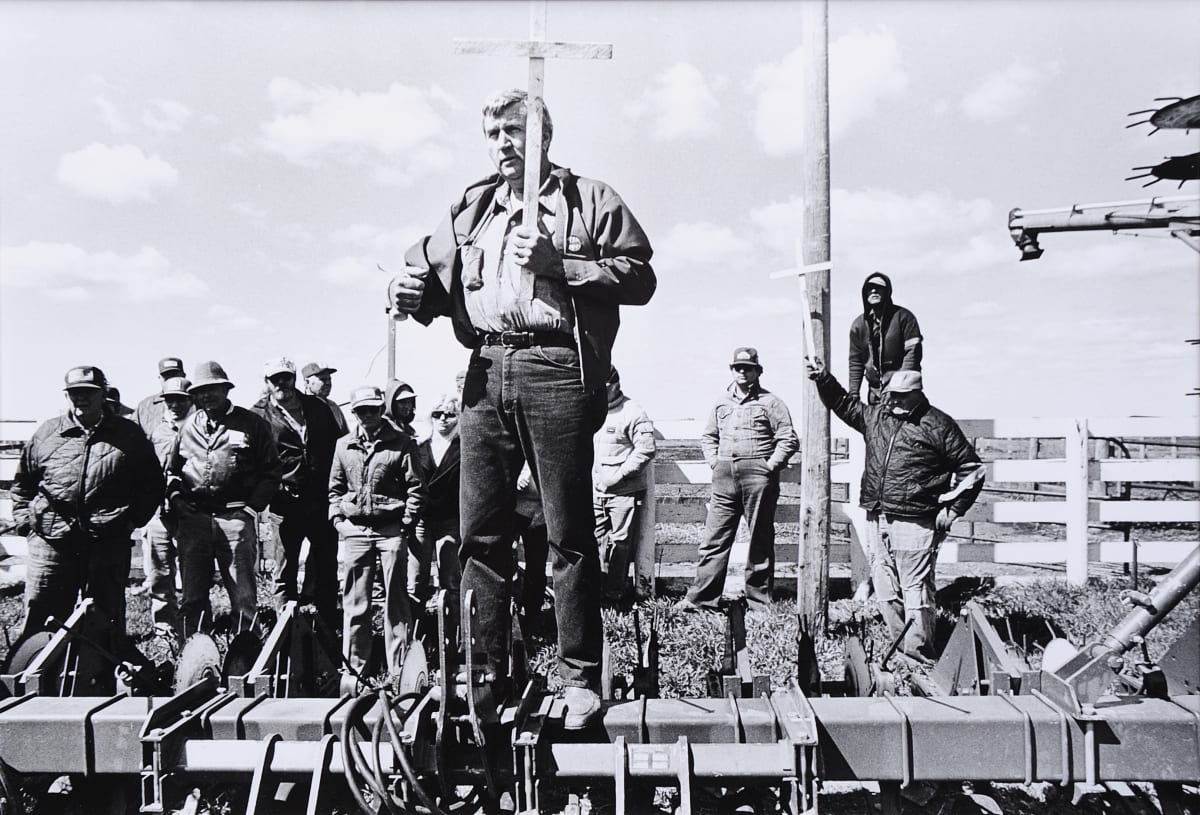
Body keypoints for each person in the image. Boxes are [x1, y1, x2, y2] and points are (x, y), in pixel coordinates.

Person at [386, 88, 656, 728]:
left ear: (545, 138)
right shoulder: (472, 207)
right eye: (493, 134)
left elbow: (640, 277)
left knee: (567, 532)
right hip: (484, 368)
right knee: (479, 534)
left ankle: (579, 678)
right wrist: (409, 292)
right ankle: (486, 676)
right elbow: (437, 284)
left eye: (515, 133)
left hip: (556, 366)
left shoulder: (590, 199)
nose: (503, 145)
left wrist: (558, 264)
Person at [807, 362, 985, 659]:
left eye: (902, 395)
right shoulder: (878, 417)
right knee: (885, 585)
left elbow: (972, 470)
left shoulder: (938, 424)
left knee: (915, 589)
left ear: (917, 393)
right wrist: (823, 378)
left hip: (916, 520)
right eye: (892, 394)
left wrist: (954, 510)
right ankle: (899, 648)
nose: (894, 400)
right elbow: (841, 403)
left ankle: (918, 653)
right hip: (878, 517)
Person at [11, 366, 163, 639]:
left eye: (88, 393)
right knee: (42, 621)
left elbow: (151, 484)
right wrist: (28, 525)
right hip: (51, 542)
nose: (81, 398)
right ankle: (36, 677)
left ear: (103, 394)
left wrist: (131, 522)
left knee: (105, 619)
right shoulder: (47, 433)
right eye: (74, 393)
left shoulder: (128, 434)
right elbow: (23, 484)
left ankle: (100, 678)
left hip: (107, 542)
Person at [675, 348, 798, 614]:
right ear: (731, 370)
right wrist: (715, 463)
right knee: (714, 539)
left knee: (759, 539)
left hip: (758, 476)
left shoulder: (771, 402)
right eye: (737, 367)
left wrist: (769, 466)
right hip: (724, 478)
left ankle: (758, 602)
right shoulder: (721, 402)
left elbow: (788, 438)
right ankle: (702, 599)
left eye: (748, 368)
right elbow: (708, 437)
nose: (742, 372)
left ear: (758, 371)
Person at [166, 362, 281, 634]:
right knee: (192, 597)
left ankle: (247, 658)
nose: (207, 396)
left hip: (235, 520)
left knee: (242, 597)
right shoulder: (188, 427)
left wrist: (250, 511)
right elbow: (171, 472)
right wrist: (176, 499)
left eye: (213, 390)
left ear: (226, 389)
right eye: (201, 391)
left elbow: (272, 472)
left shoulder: (252, 424)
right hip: (195, 521)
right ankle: (193, 658)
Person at [330, 385, 426, 684]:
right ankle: (355, 670)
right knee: (356, 603)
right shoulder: (343, 445)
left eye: (373, 409)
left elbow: (416, 488)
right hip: (356, 531)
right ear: (354, 413)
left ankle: (400, 671)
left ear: (381, 410)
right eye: (362, 411)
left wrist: (406, 522)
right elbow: (334, 489)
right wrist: (338, 520)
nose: (368, 415)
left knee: (397, 603)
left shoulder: (402, 443)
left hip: (390, 532)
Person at [253, 357, 345, 631]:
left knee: (326, 569)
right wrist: (272, 490)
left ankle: (326, 630)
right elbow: (253, 460)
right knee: (284, 571)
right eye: (275, 379)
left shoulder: (317, 408)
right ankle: (284, 633)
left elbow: (337, 448)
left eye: (286, 377)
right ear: (267, 383)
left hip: (320, 501)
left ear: (294, 378)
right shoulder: (258, 416)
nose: (281, 383)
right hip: (285, 505)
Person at [592, 366, 656, 603]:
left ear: (615, 384)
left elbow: (646, 449)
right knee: (595, 541)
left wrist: (618, 476)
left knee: (620, 543)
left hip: (624, 493)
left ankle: (614, 594)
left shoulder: (633, 412)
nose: (598, 391)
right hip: (596, 491)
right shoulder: (593, 412)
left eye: (604, 386)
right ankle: (596, 593)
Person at [138, 375, 194, 636]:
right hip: (158, 512)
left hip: (189, 510)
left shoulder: (199, 427)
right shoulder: (156, 430)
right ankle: (164, 629)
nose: (174, 405)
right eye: (169, 399)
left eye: (180, 400)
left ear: (189, 400)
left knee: (193, 572)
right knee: (160, 573)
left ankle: (193, 628)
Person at [413, 394, 463, 606]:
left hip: (451, 521)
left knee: (451, 582)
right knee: (415, 581)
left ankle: (453, 635)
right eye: (437, 414)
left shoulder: (465, 447)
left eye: (449, 414)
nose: (443, 418)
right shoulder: (418, 446)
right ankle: (414, 636)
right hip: (422, 521)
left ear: (458, 417)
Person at [847, 273, 922, 405]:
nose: (874, 291)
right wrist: (853, 394)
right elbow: (855, 362)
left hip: (904, 395)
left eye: (878, 287)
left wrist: (898, 388)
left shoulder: (904, 317)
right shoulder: (859, 325)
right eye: (869, 288)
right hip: (875, 394)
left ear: (887, 292)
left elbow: (912, 354)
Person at [136, 357, 187, 432]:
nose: (170, 379)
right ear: (159, 378)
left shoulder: (197, 403)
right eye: (166, 376)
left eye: (174, 375)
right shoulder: (144, 407)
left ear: (183, 376)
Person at [302, 361, 349, 435]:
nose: (328, 383)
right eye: (323, 379)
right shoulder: (299, 408)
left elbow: (345, 438)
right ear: (307, 382)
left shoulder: (333, 407)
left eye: (329, 379)